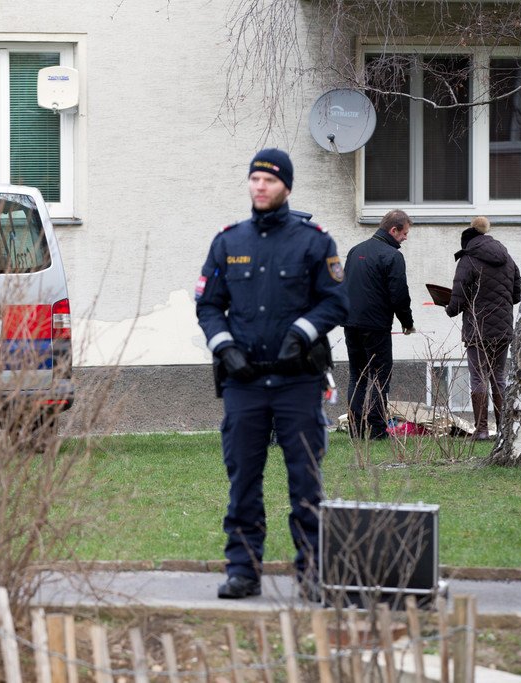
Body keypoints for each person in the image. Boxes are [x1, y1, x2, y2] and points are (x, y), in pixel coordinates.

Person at [195, 148, 349, 600]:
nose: (260, 186)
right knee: (243, 478)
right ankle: (243, 571)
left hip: (297, 382)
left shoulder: (314, 242)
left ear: (286, 187)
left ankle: (313, 572)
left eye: (270, 180)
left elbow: (336, 302)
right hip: (244, 383)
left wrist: (303, 332)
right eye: (255, 179)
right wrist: (224, 347)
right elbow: (208, 305)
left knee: (305, 480)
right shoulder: (229, 242)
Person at [445, 216, 521, 440]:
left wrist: (449, 308)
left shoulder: (468, 258)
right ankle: (503, 430)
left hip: (478, 328)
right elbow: (517, 294)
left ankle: (481, 430)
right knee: (499, 377)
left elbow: (458, 297)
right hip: (503, 328)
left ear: (468, 239)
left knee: (478, 378)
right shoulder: (507, 258)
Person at [342, 210, 415, 440]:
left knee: (357, 376)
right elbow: (399, 294)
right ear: (393, 230)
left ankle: (355, 429)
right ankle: (376, 429)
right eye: (404, 233)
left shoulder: (355, 251)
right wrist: (407, 322)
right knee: (380, 376)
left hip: (351, 323)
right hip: (376, 326)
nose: (405, 238)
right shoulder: (393, 256)